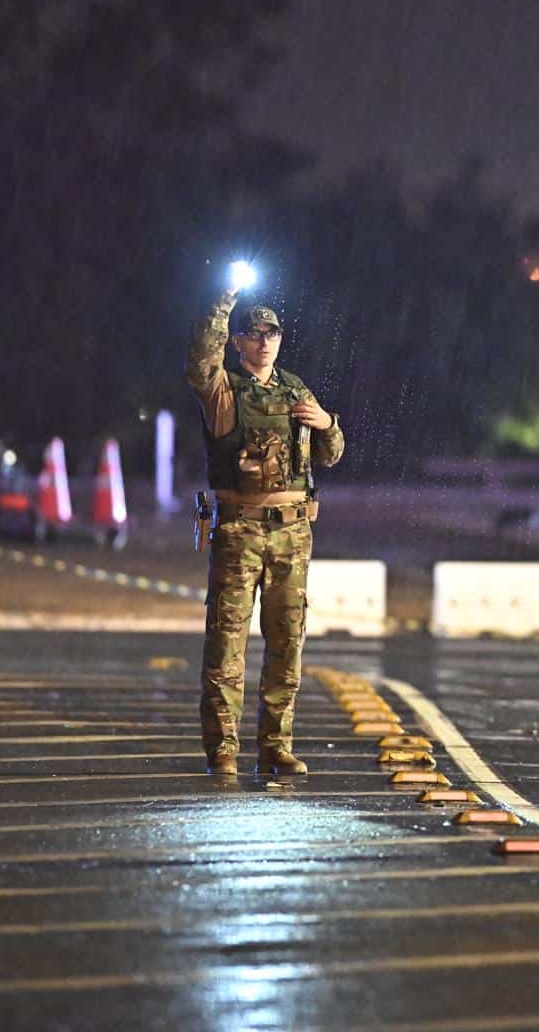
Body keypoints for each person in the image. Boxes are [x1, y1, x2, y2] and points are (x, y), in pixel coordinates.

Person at [185, 286, 344, 775]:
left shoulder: (296, 391)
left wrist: (326, 423)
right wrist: (222, 302)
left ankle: (276, 745)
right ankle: (224, 750)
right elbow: (199, 361)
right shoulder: (223, 389)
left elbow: (331, 454)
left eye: (271, 334)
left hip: (293, 535)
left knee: (286, 643)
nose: (264, 342)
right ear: (238, 342)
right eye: (253, 336)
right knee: (227, 644)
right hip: (239, 531)